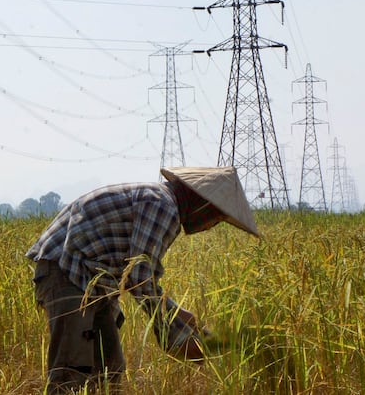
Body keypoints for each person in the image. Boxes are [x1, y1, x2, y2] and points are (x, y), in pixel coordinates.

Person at [26, 166, 260, 393]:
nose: (210, 226)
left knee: (109, 369)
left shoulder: (161, 202)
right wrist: (176, 331)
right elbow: (138, 278)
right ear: (204, 205)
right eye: (215, 218)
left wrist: (180, 319)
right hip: (67, 271)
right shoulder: (162, 206)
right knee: (71, 372)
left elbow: (137, 274)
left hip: (92, 281)